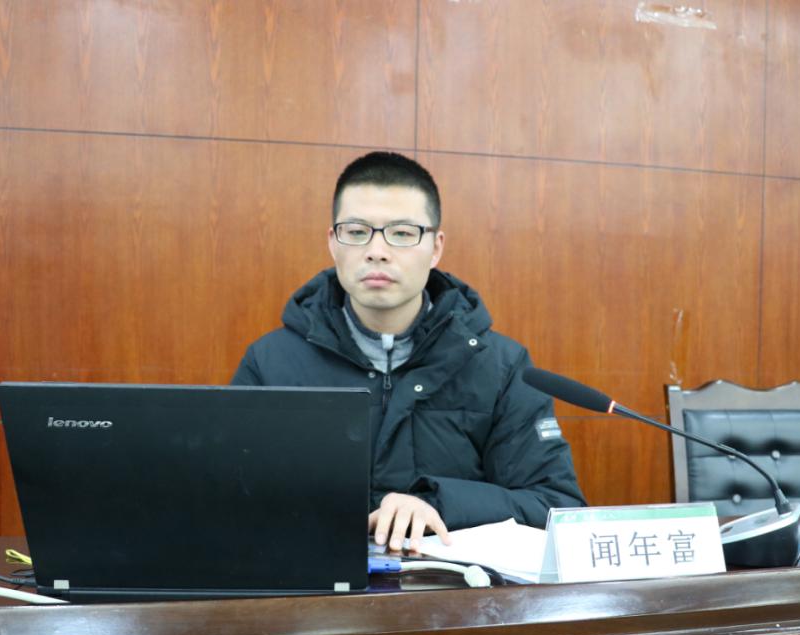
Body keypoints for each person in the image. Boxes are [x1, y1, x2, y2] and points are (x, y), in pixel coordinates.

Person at [232, 151, 585, 551]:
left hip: (453, 588)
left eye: (401, 233)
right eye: (356, 231)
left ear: (435, 248)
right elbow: (226, 502)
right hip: (315, 586)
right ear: (333, 242)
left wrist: (438, 504)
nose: (377, 251)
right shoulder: (270, 363)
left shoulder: (502, 367)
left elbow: (556, 509)